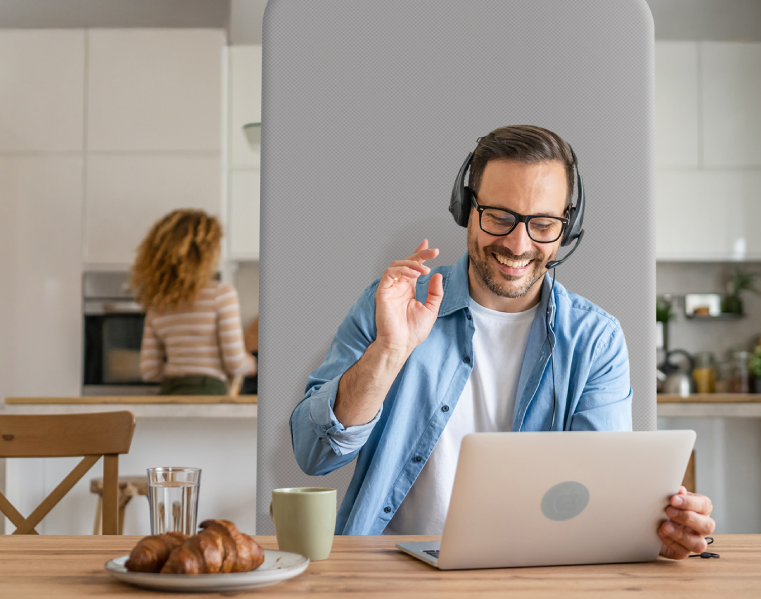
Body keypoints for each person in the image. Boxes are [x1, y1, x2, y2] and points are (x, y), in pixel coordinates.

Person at [290, 125, 714, 559]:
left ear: (567, 226)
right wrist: (388, 353)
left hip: (527, 578)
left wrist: (661, 531)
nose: (518, 243)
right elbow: (313, 455)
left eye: (543, 224)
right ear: (467, 209)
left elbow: (598, 504)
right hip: (384, 576)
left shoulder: (594, 340)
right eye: (499, 217)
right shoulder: (392, 305)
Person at [132, 209, 256, 395]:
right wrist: (252, 364)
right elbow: (234, 362)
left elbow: (149, 371)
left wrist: (181, 370)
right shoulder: (221, 294)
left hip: (168, 394)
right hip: (209, 395)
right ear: (205, 254)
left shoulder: (158, 303)